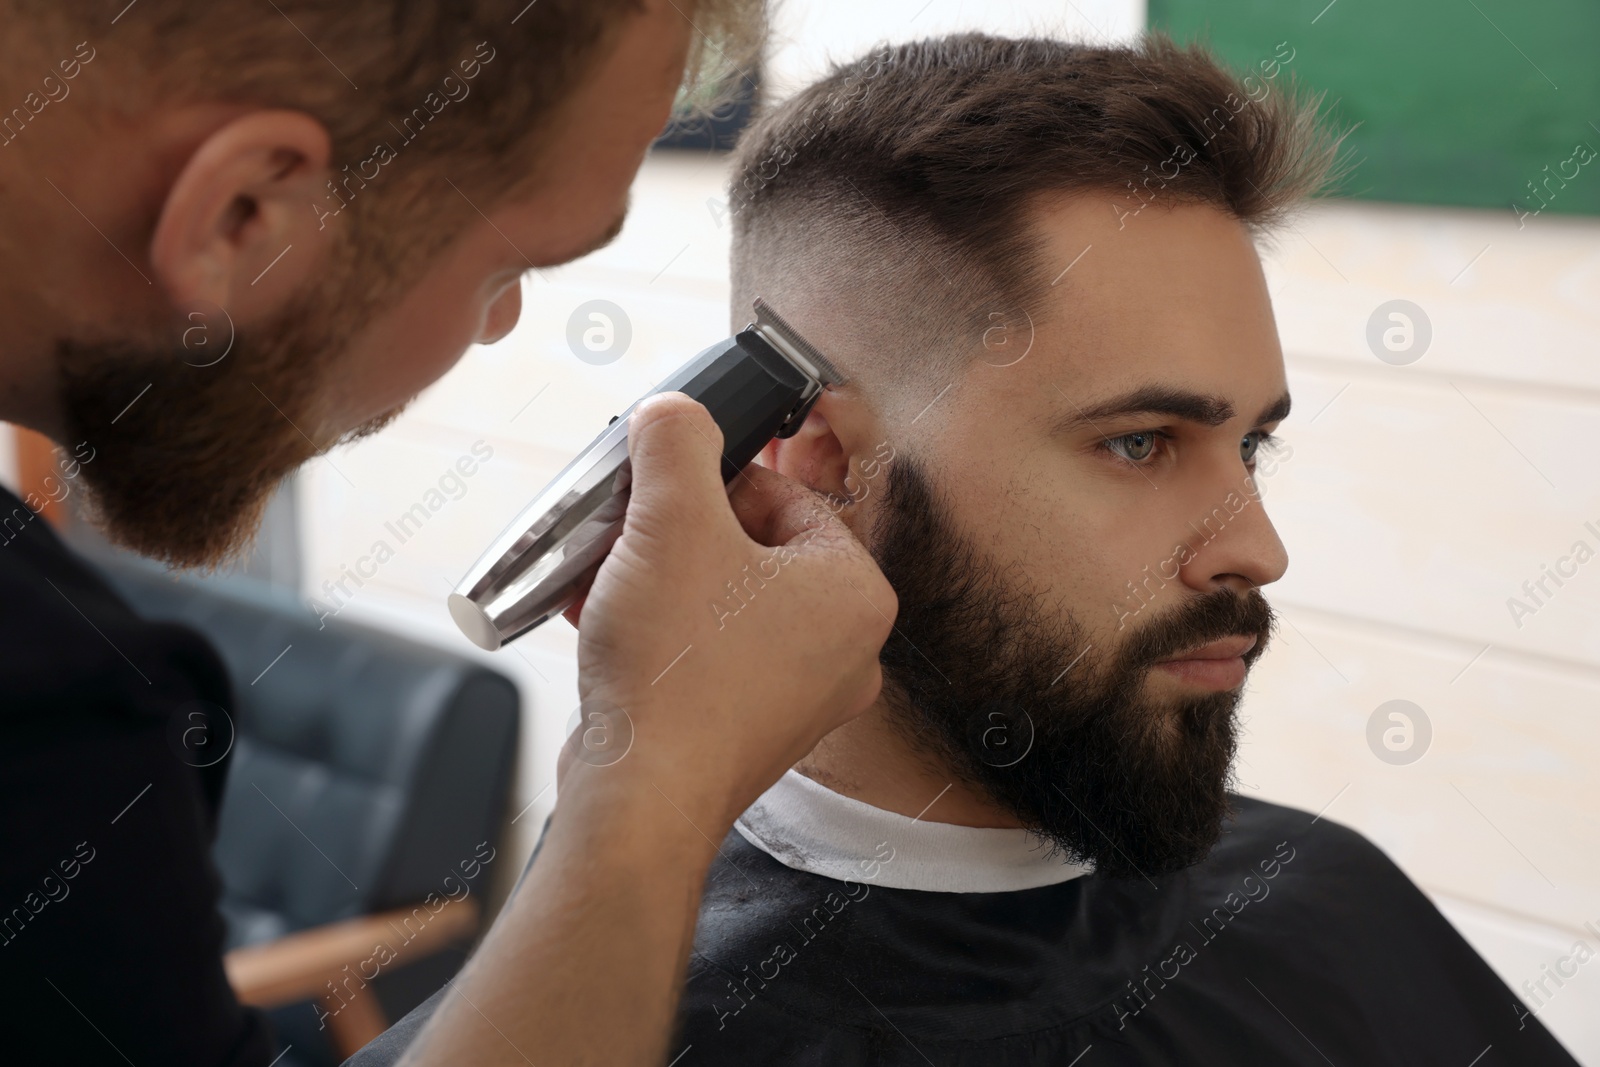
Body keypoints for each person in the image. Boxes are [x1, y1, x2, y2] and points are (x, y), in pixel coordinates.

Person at [649, 33, 1577, 1064]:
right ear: (824, 464)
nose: (1258, 551)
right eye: (1139, 443)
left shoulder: (1322, 884)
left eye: (1250, 447)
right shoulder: (614, 1019)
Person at [0, 2, 897, 1065]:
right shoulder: (46, 718)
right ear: (241, 213)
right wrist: (658, 776)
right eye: (505, 265)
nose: (499, 322)